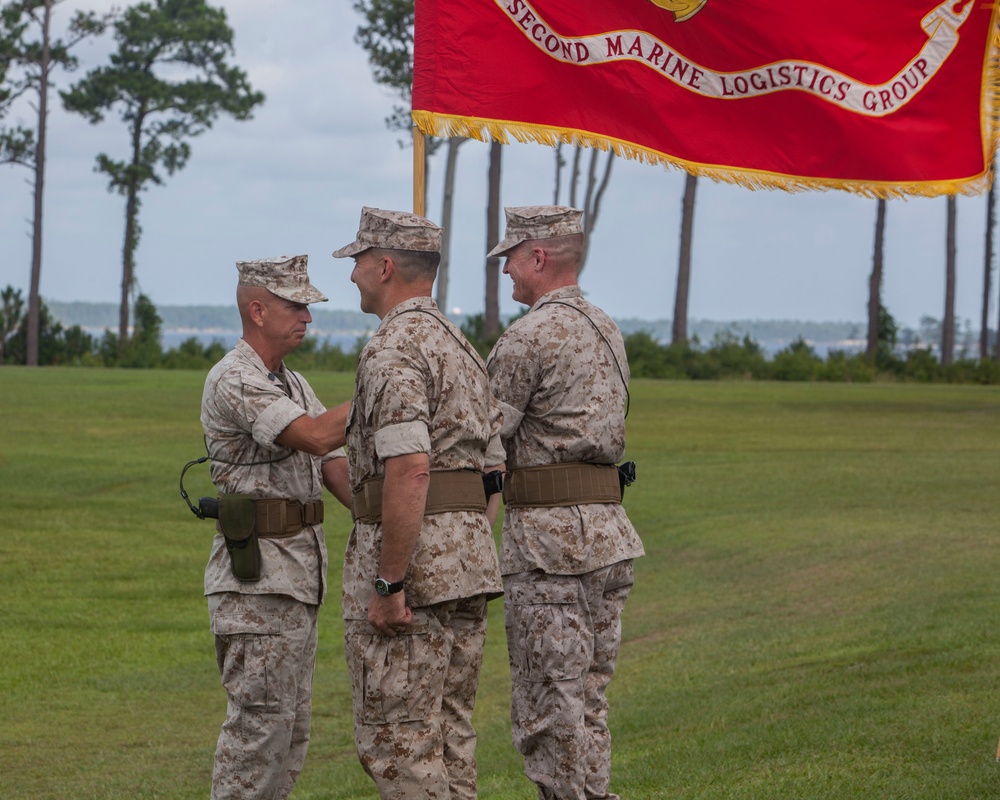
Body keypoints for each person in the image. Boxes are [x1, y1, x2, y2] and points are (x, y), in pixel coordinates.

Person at [331, 207, 506, 799]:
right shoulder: (462, 346)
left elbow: (409, 470)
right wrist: (464, 544)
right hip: (465, 566)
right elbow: (493, 469)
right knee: (450, 737)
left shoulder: (394, 350)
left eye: (357, 262)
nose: (351, 274)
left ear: (385, 267)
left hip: (415, 579)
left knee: (402, 746)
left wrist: (390, 583)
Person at [485, 206, 645, 800]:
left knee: (550, 709)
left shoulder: (528, 336)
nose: (506, 272)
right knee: (588, 702)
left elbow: (482, 438)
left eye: (510, 259)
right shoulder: (606, 326)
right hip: (607, 534)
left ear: (539, 257)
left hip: (551, 545)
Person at [200, 254, 352, 800]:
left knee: (290, 731)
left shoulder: (291, 380)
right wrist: (386, 386)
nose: (307, 317)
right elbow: (313, 437)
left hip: (293, 583)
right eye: (296, 306)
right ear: (258, 310)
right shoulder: (235, 378)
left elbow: (333, 465)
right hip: (257, 588)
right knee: (258, 734)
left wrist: (381, 514)